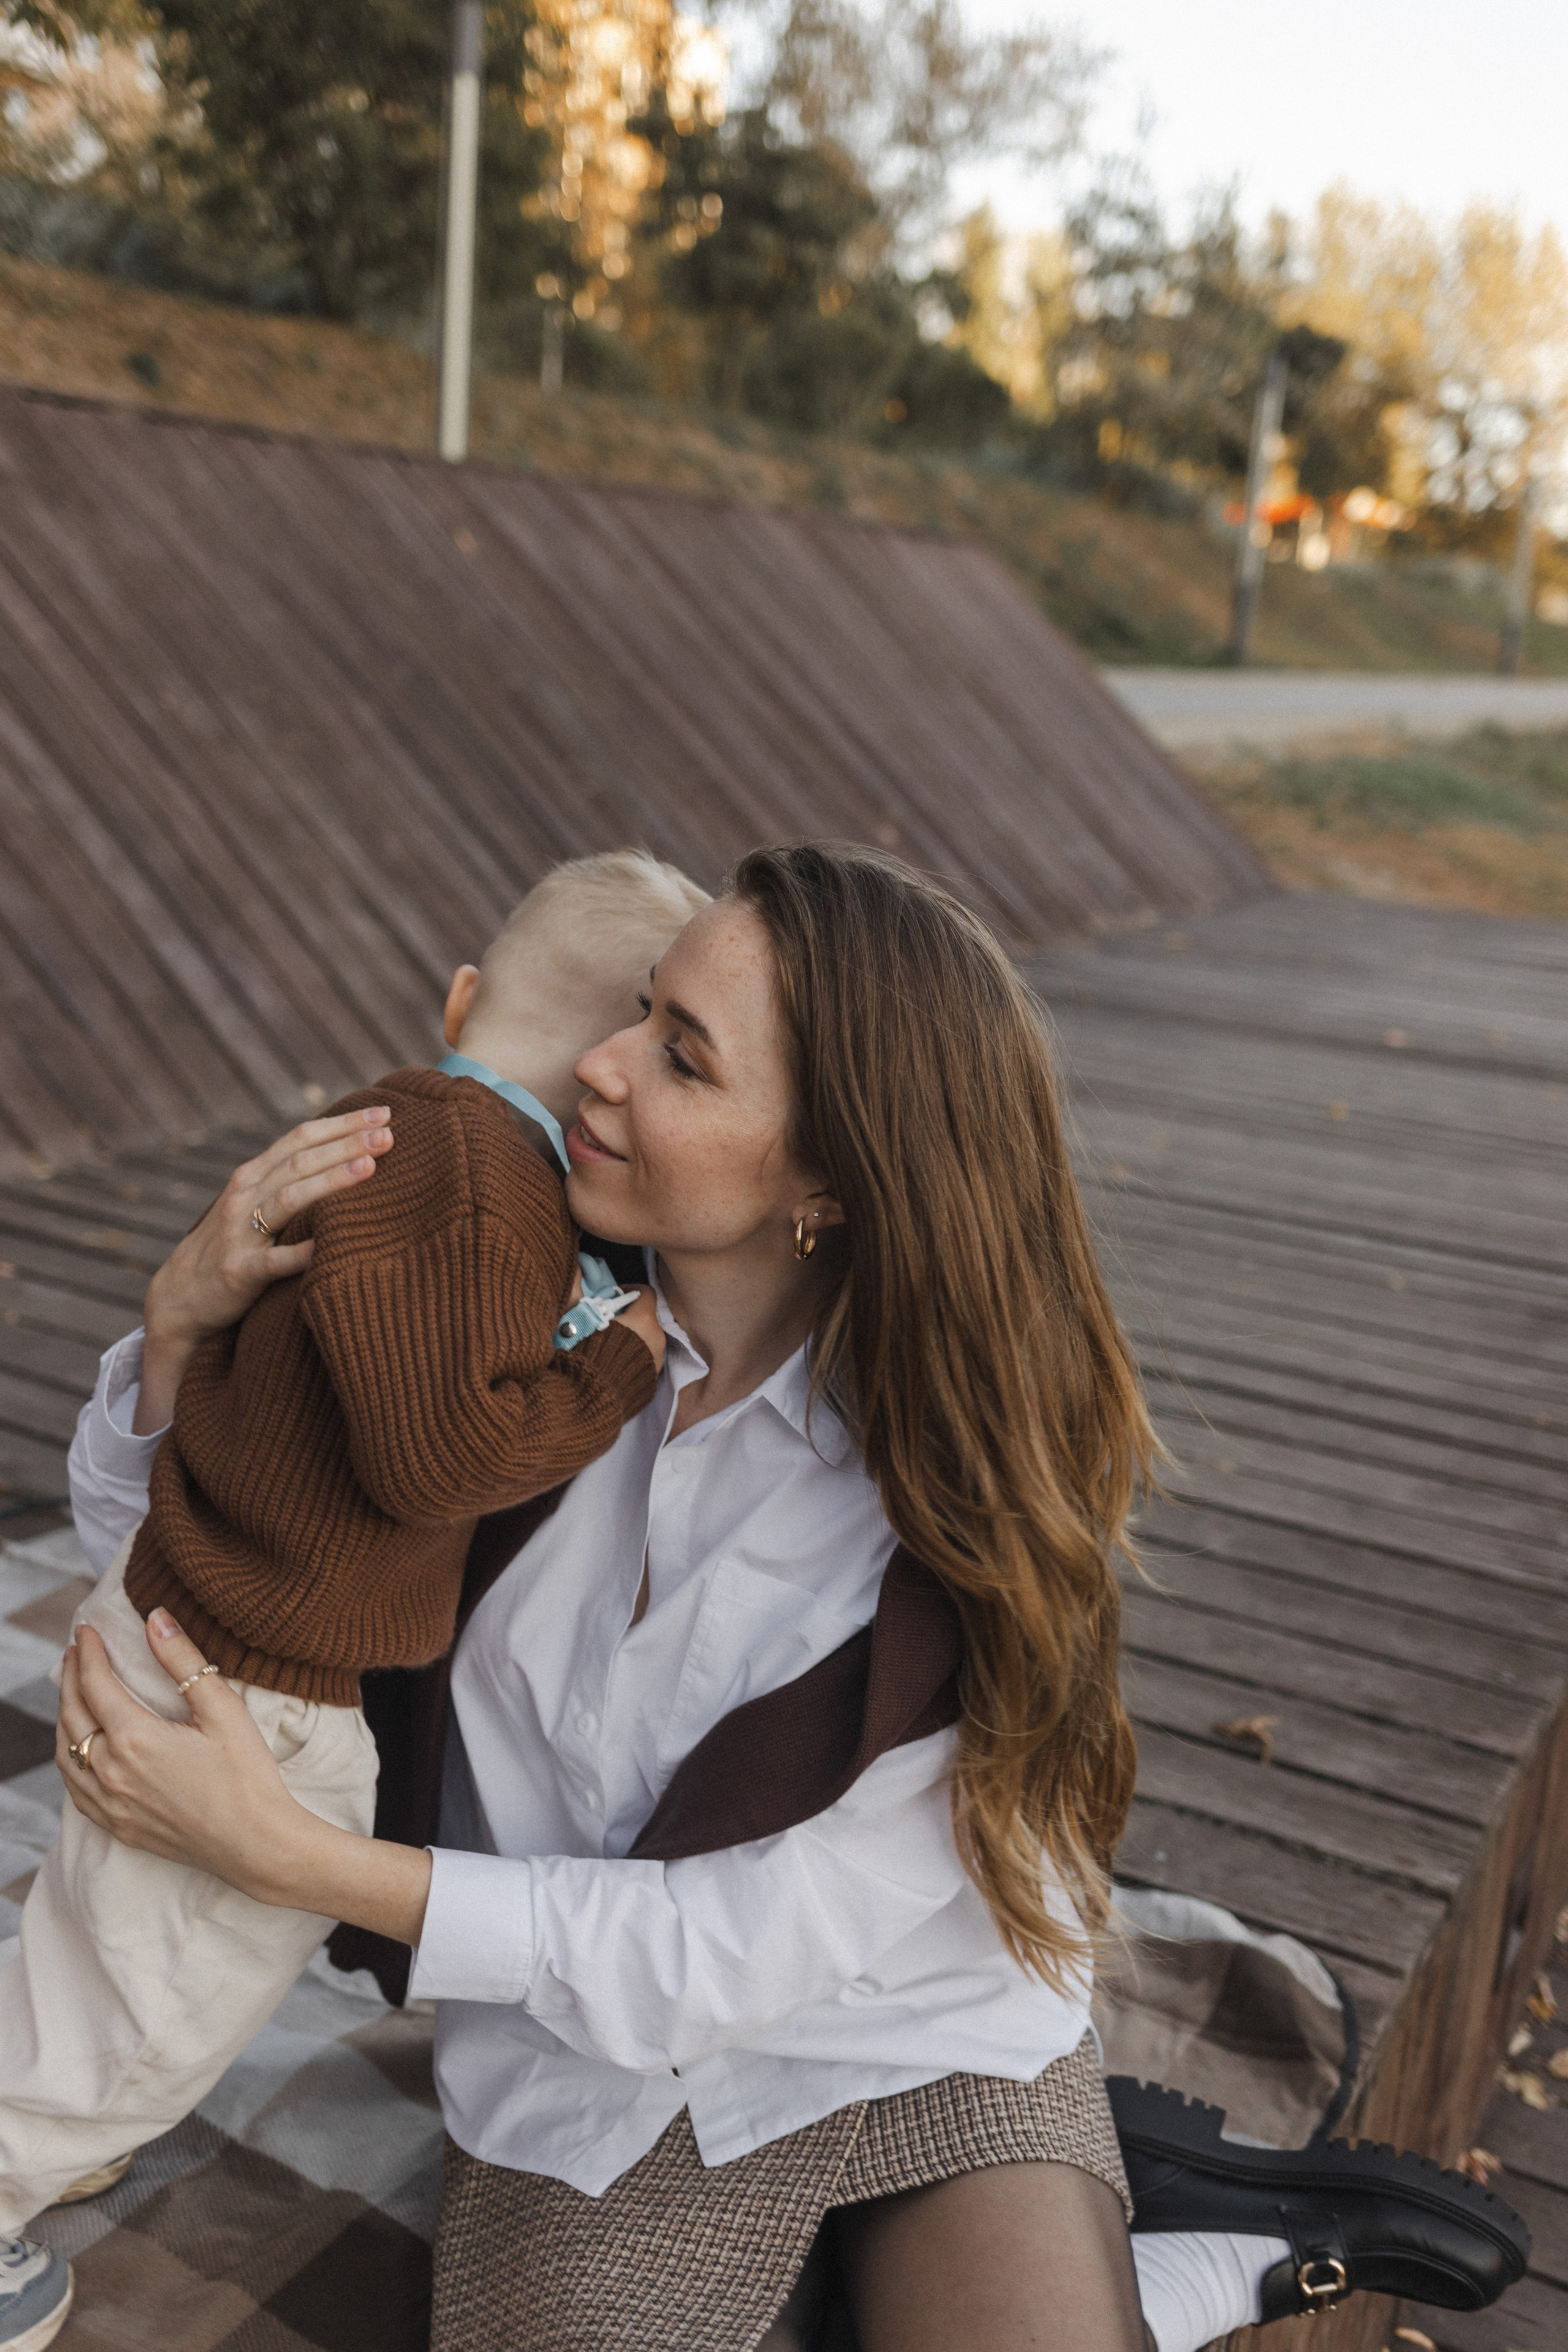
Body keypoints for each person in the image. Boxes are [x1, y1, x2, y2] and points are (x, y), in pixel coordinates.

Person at [28, 846, 1528, 2352]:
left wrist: (299, 1861)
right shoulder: (493, 1337)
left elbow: (734, 1942)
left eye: (679, 1056)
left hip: (901, 2025)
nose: (597, 1065)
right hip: (591, 2067)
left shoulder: (944, 1502)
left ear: (824, 1179)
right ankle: (1154, 2258)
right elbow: (223, 1562)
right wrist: (179, 1331)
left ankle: (1185, 2237)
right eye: (633, 1013)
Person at [0, 850, 708, 2241]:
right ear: (602, 1095)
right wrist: (616, 1368)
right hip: (258, 1696)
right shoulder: (476, 1186)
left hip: (174, 1609)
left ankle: (41, 2105)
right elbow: (436, 1455)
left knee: (98, 1949)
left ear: (459, 1003)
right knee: (168, 1997)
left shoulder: (397, 1142)